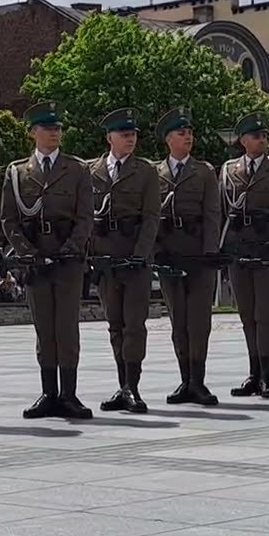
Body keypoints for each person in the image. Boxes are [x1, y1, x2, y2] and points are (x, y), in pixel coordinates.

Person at [0, 101, 95, 419]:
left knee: (66, 327)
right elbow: (9, 218)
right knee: (44, 328)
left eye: (57, 128)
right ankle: (48, 392)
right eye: (48, 128)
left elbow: (84, 217)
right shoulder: (17, 172)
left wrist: (72, 248)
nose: (54, 133)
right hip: (35, 260)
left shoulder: (77, 169)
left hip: (67, 260)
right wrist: (26, 252)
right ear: (33, 133)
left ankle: (69, 393)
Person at [86, 108, 160, 414]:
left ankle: (133, 386)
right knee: (115, 325)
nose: (130, 139)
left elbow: (151, 217)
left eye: (133, 135)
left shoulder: (145, 171)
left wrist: (139, 255)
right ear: (110, 138)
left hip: (133, 259)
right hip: (105, 259)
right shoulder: (92, 171)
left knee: (134, 326)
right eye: (124, 135)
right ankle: (122, 385)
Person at [222, 113, 269, 399]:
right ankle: (253, 373)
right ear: (242, 140)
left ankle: (267, 376)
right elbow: (222, 211)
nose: (261, 139)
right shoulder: (228, 170)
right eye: (255, 136)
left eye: (264, 135)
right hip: (240, 251)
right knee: (247, 317)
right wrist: (222, 247)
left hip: (266, 251)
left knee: (264, 317)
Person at [153, 108, 222, 406]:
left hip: (197, 254)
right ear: (169, 139)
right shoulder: (154, 173)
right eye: (181, 133)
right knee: (178, 321)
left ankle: (199, 381)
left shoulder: (204, 171)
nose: (188, 137)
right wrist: (155, 252)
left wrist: (210, 252)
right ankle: (185, 380)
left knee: (199, 321)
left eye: (190, 132)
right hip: (169, 253)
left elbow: (212, 214)